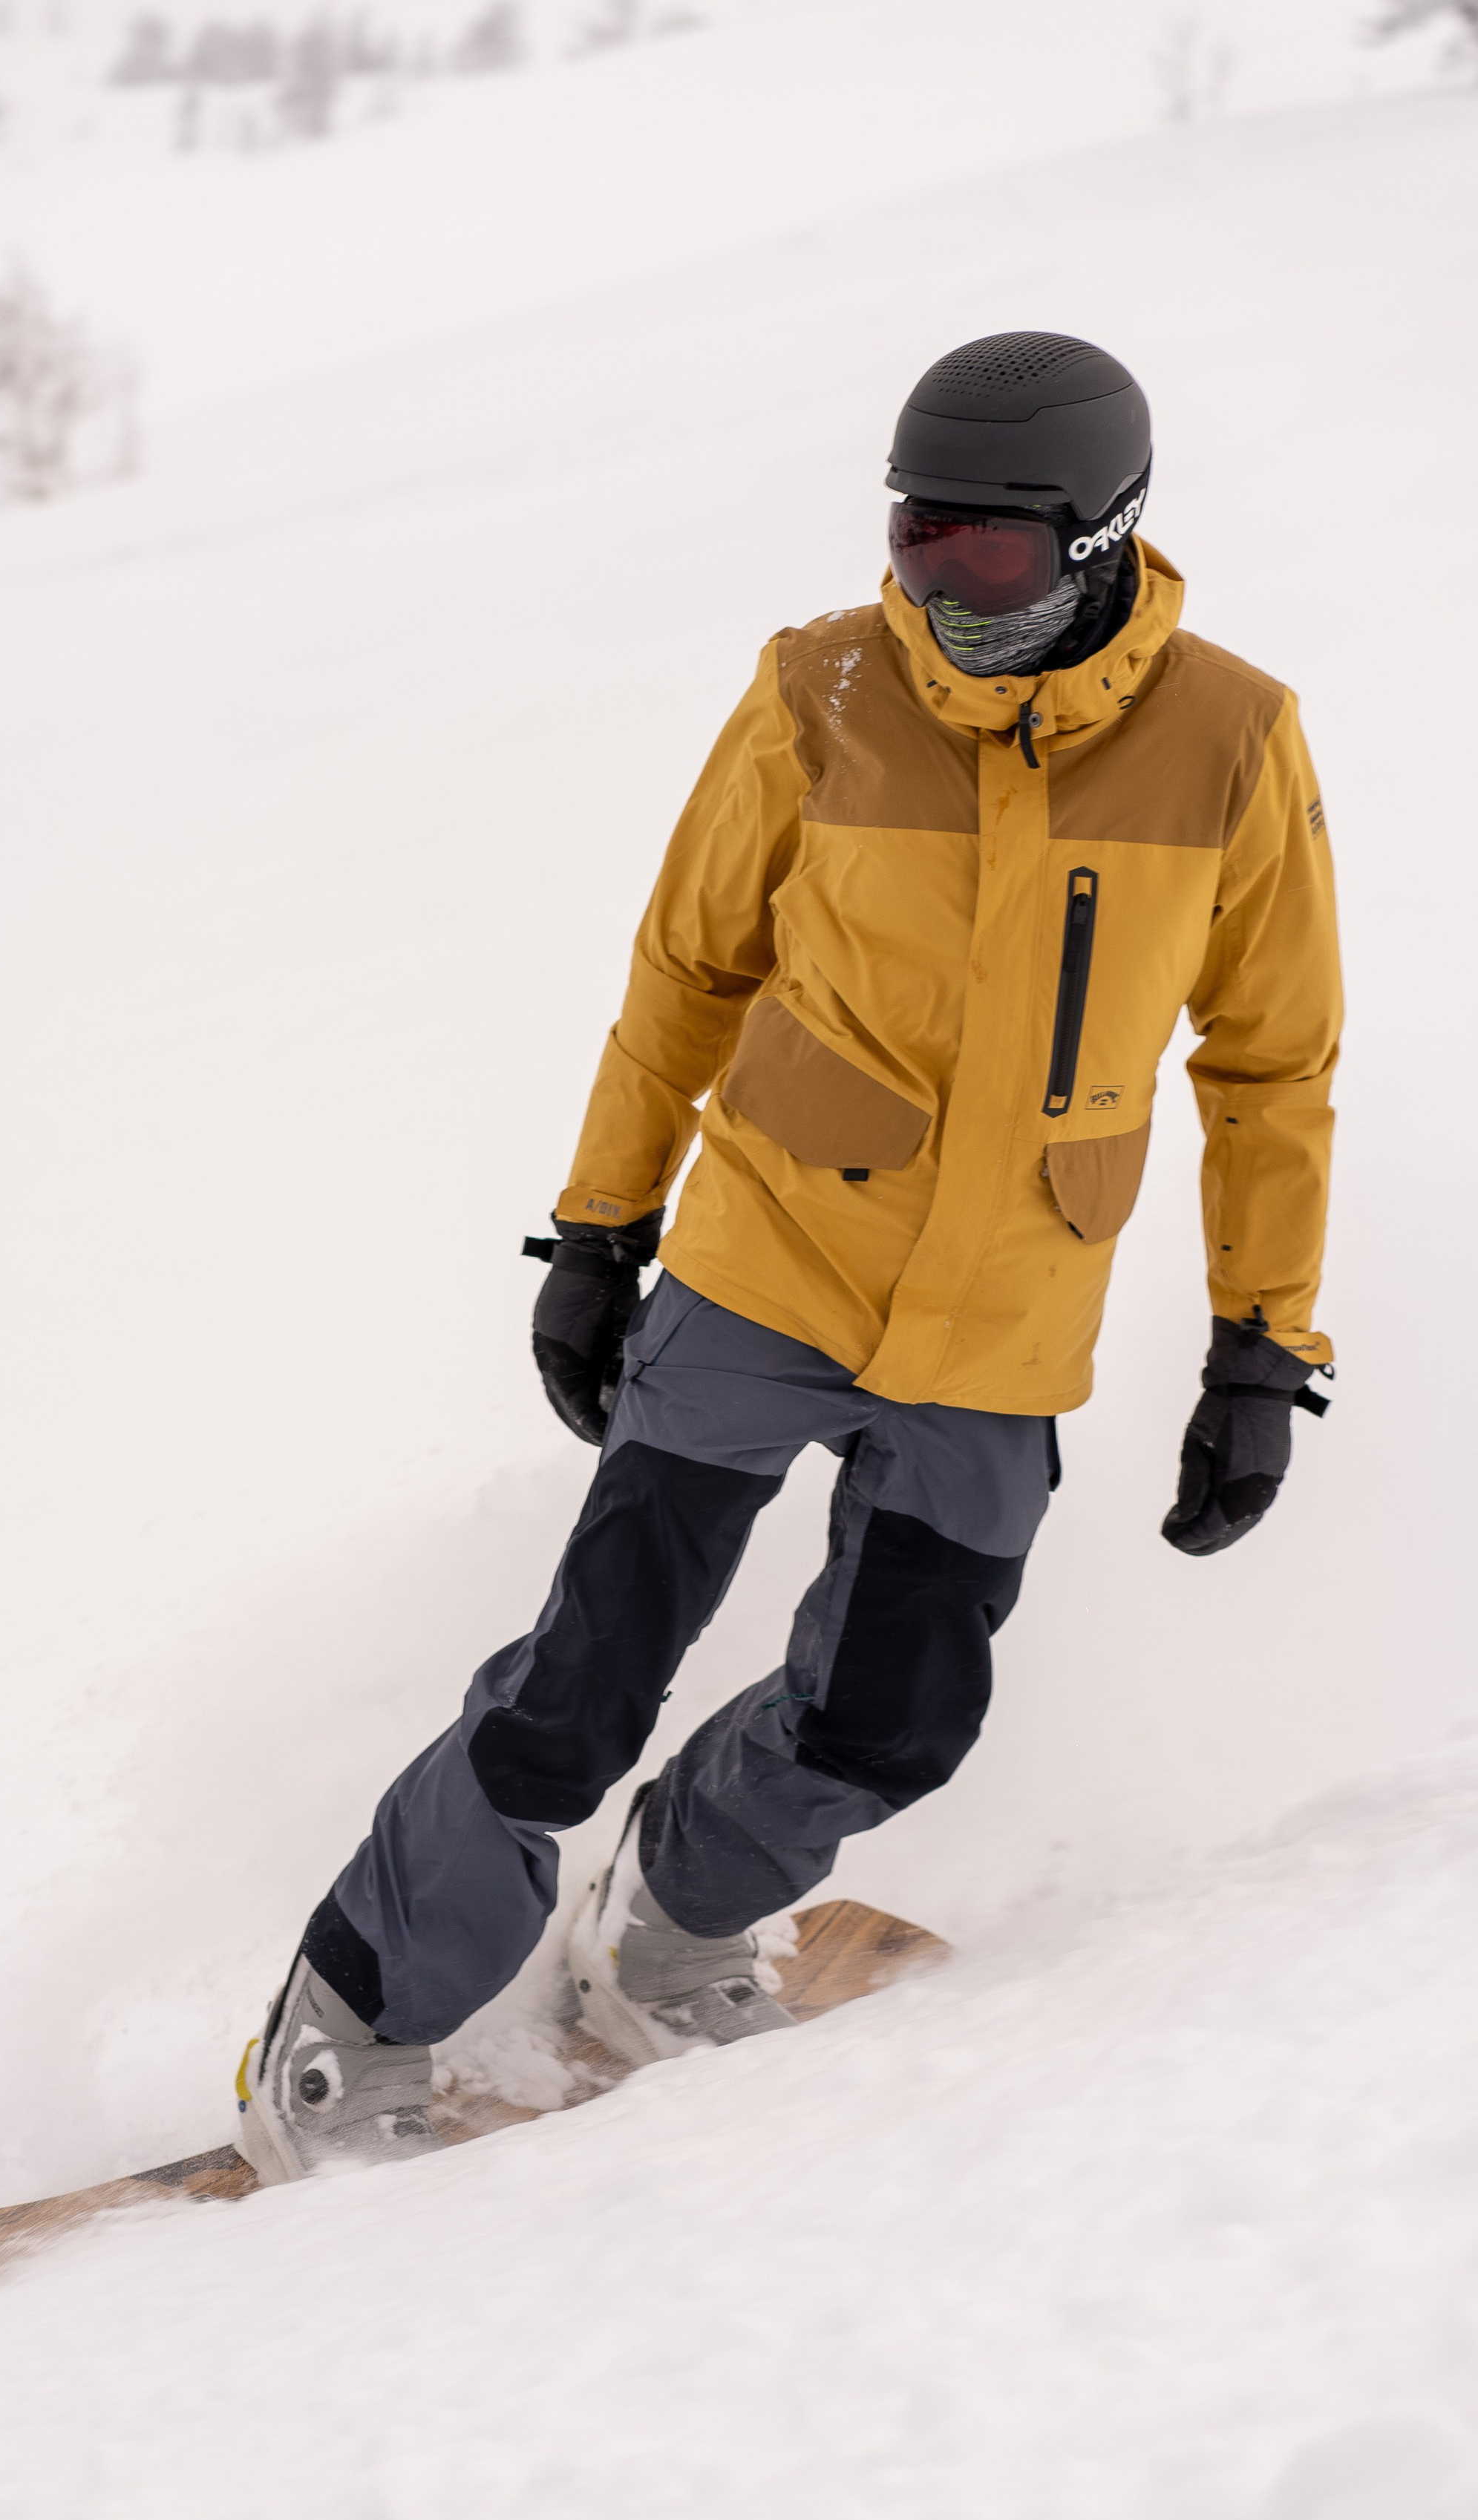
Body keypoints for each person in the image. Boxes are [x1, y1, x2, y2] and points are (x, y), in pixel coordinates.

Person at [232, 330, 1341, 2186]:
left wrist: (1260, 1351)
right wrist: (599, 1230)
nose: (941, 586)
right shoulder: (817, 688)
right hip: (766, 1262)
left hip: (1004, 1316)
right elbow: (687, 970)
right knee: (580, 1689)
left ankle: (666, 1933)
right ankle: (344, 2032)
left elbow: (1270, 1066)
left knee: (896, 1720)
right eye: (915, 536)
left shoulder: (1230, 737)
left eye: (989, 551)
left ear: (1099, 540)